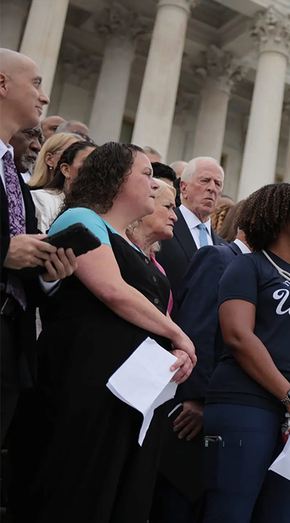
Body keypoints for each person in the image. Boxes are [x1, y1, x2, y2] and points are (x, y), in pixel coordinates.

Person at [29, 142, 195, 522]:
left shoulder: (133, 246)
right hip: (86, 383)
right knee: (80, 493)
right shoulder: (83, 219)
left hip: (133, 394)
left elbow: (147, 308)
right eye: (147, 175)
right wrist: (181, 336)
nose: (156, 185)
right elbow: (112, 290)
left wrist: (174, 347)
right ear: (117, 179)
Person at [203, 182, 290, 523]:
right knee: (230, 512)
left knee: (282, 515)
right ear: (280, 215)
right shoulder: (248, 267)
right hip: (246, 407)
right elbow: (238, 336)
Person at [149, 206, 252, 523]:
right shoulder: (218, 257)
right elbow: (198, 328)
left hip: (227, 415)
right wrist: (196, 397)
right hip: (194, 411)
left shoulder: (258, 271)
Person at [0, 48, 76, 445]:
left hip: (11, 342)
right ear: (2, 84)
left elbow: (20, 255)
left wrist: (49, 272)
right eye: (36, 84)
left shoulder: (13, 177)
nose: (44, 97)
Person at [158, 156, 226, 298]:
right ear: (184, 187)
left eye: (218, 184)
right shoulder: (161, 227)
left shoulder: (223, 247)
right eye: (205, 181)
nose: (212, 188)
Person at [126, 179, 178, 313]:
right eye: (168, 207)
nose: (174, 217)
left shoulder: (159, 268)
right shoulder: (120, 250)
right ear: (144, 205)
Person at [30, 139, 95, 232]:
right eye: (87, 162)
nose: (94, 168)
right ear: (66, 170)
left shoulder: (102, 208)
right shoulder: (41, 199)